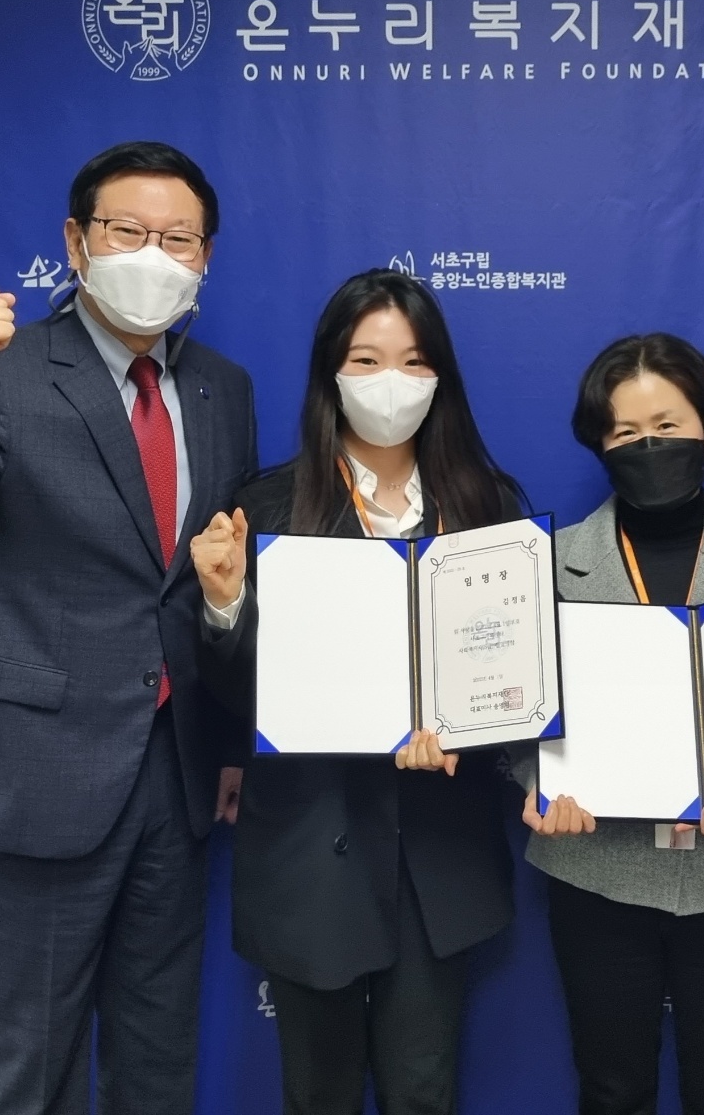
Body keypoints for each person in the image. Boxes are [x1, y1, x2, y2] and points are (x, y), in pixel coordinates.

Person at [0, 141, 257, 1115]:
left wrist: (226, 739)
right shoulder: (7, 372)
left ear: (206, 257)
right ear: (77, 242)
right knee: (34, 1071)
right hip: (34, 772)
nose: (154, 255)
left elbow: (203, 583)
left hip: (176, 772)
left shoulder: (224, 388)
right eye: (128, 231)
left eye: (179, 238)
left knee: (157, 1064)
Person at [191, 269, 525, 1115]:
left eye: (412, 361)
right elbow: (237, 694)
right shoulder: (266, 504)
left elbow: (514, 683)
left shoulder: (489, 507)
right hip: (313, 845)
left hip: (438, 857)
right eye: (366, 360)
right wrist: (225, 604)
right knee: (318, 1094)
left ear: (440, 375)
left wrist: (467, 732)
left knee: (423, 1092)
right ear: (331, 374)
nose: (390, 382)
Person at [514, 333, 704, 1115]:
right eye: (627, 432)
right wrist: (539, 785)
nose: (650, 446)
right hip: (597, 870)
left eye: (668, 425)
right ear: (600, 444)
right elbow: (519, 714)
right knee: (611, 1091)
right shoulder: (553, 562)